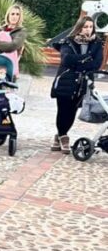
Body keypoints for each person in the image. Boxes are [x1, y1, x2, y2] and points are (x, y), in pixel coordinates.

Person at [51, 16, 104, 154]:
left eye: (90, 27)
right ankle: (64, 137)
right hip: (66, 80)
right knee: (63, 109)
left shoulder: (97, 43)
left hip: (83, 82)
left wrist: (79, 64)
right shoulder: (68, 41)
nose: (88, 29)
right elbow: (66, 59)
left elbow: (96, 63)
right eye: (85, 27)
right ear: (79, 27)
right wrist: (86, 58)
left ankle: (59, 135)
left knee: (72, 110)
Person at [0, 4, 27, 79]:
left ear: (20, 17)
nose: (14, 16)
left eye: (17, 14)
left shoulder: (21, 32)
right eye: (12, 14)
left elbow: (12, 46)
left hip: (9, 68)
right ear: (8, 15)